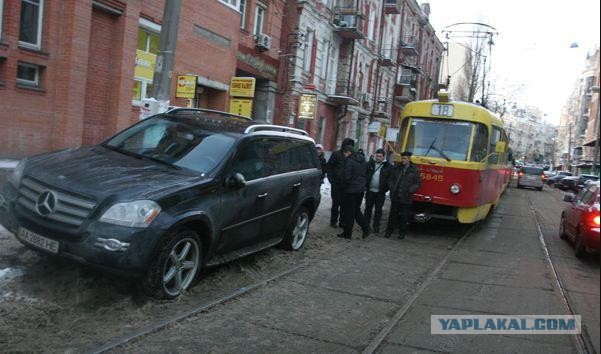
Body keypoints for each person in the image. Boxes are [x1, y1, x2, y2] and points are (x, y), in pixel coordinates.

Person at [385, 151, 421, 239]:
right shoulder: (397, 168)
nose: (403, 160)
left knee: (404, 216)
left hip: (406, 196)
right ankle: (389, 232)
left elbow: (417, 183)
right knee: (393, 215)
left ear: (409, 159)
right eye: (402, 158)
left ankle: (402, 233)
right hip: (396, 195)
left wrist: (410, 190)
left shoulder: (414, 170)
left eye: (405, 158)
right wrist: (392, 187)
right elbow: (390, 179)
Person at [338, 145, 370, 239]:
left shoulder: (349, 161)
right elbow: (366, 174)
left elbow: (347, 178)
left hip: (350, 191)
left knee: (349, 213)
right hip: (360, 190)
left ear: (348, 152)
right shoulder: (363, 160)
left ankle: (348, 234)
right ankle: (366, 228)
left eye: (344, 153)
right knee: (356, 211)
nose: (344, 155)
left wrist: (343, 187)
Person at [326, 138, 355, 228]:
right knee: (335, 203)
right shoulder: (336, 154)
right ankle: (333, 221)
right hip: (336, 184)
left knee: (344, 205)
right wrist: (331, 180)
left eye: (351, 145)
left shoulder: (353, 156)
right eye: (348, 145)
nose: (349, 147)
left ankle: (342, 221)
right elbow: (329, 167)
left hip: (347, 186)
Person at [364, 148, 392, 233]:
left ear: (383, 157)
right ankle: (366, 225)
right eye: (377, 156)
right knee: (368, 209)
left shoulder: (388, 166)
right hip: (370, 191)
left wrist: (385, 189)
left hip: (380, 193)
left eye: (380, 156)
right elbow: (365, 174)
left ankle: (376, 227)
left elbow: (390, 179)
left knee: (378, 210)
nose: (378, 158)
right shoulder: (370, 164)